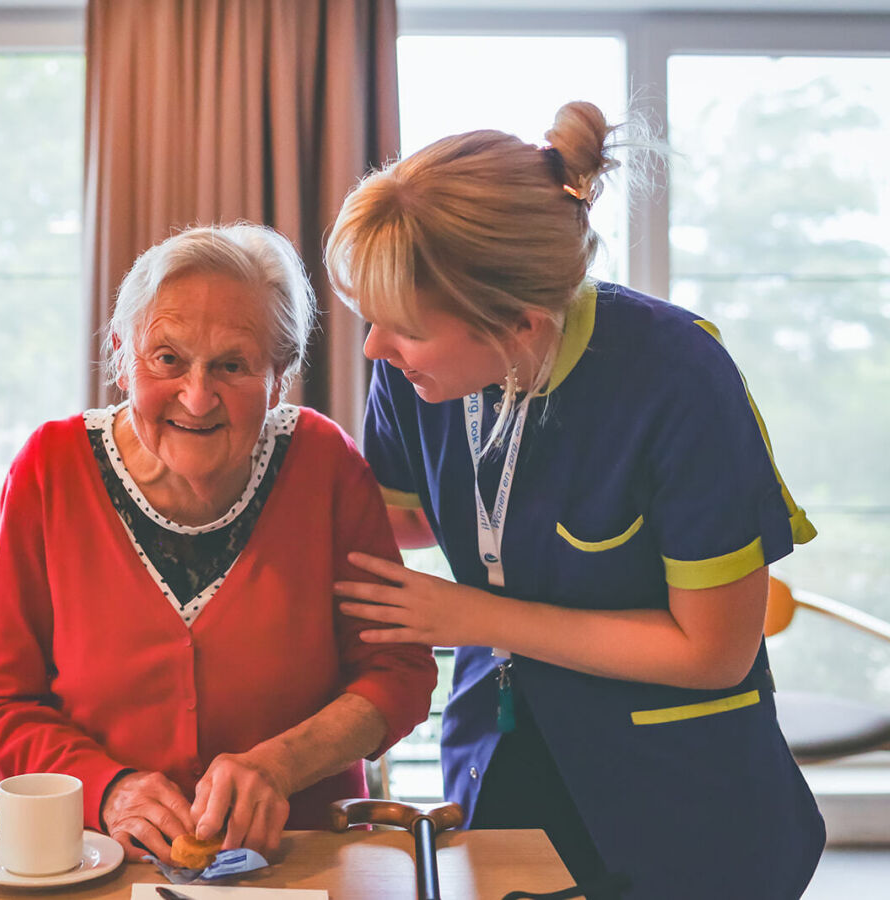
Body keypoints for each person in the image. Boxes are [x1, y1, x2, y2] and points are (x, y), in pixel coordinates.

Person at [325, 102, 825, 899]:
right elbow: (408, 517)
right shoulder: (407, 371)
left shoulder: (677, 379)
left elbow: (712, 651)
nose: (375, 349)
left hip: (679, 796)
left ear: (517, 324)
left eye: (402, 329)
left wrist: (473, 617)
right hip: (503, 765)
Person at [0, 223, 436, 865]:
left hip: (301, 860)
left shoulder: (325, 465)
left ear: (279, 378)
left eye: (232, 365)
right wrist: (110, 789)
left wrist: (282, 764)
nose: (196, 395)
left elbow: (398, 674)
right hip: (100, 863)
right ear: (122, 359)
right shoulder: (51, 468)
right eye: (167, 358)